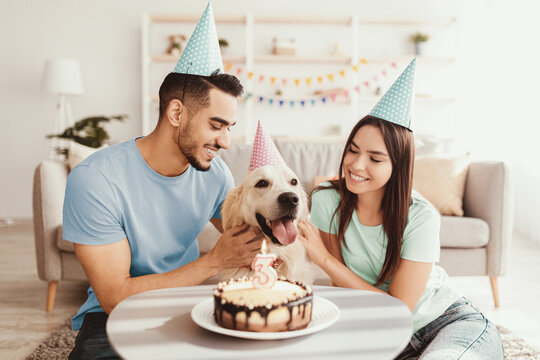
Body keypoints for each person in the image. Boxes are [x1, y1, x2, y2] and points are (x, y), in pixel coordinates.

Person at [63, 4, 261, 359]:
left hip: (188, 303)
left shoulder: (214, 173)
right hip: (111, 319)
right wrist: (212, 262)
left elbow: (246, 239)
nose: (226, 141)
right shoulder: (95, 180)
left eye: (229, 128)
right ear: (176, 112)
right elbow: (114, 297)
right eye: (216, 125)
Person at [297, 60, 503, 359]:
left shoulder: (421, 216)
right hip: (382, 331)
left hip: (446, 323)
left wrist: (323, 258)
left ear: (398, 165)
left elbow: (399, 307)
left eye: (375, 158)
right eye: (353, 150)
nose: (356, 164)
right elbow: (341, 286)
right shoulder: (328, 200)